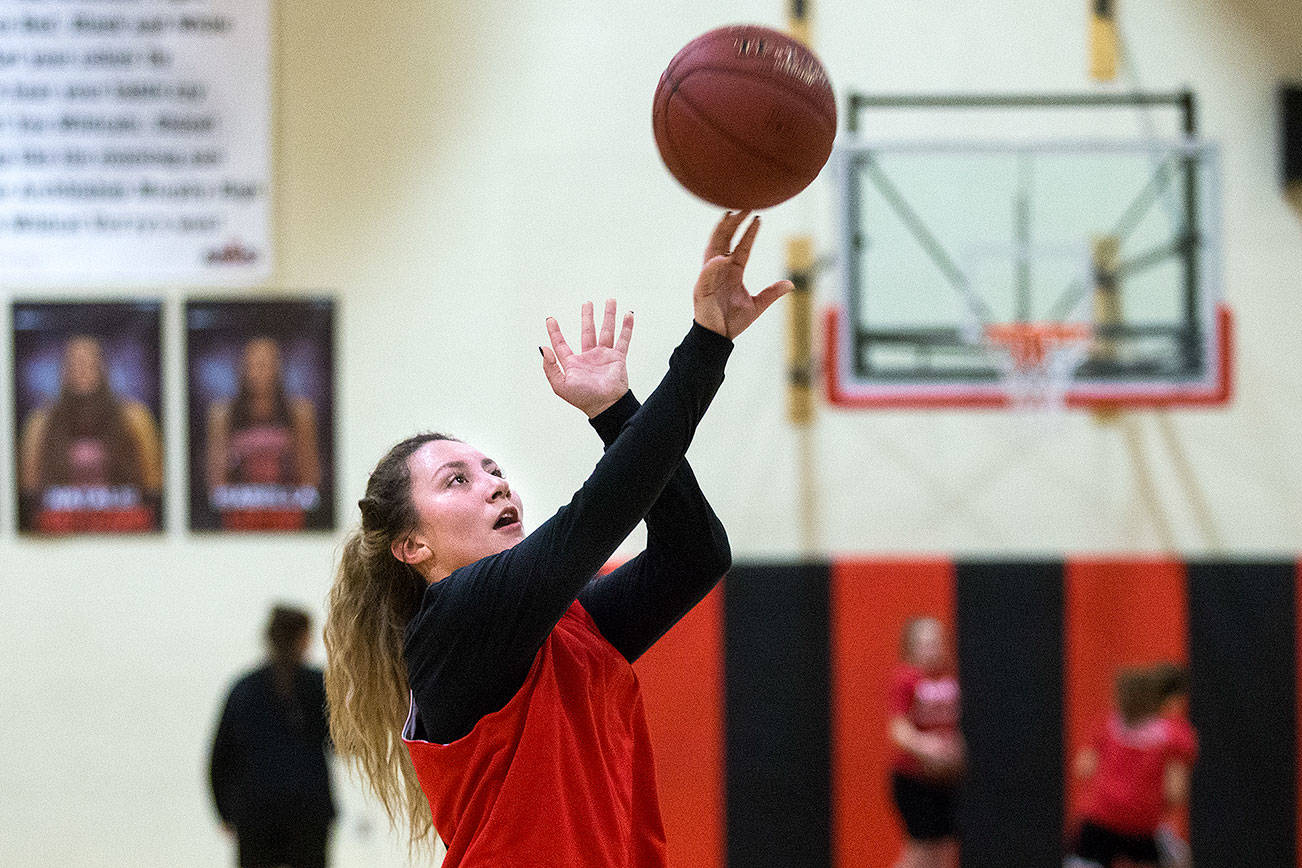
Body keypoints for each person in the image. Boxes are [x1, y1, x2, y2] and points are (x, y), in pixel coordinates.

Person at [323, 211, 791, 866]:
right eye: (456, 480)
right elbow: (601, 512)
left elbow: (696, 554)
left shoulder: (569, 627)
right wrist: (705, 344)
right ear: (412, 546)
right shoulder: (453, 623)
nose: (494, 485)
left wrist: (615, 408)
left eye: (494, 470)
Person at [210, 605, 336, 868]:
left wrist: (224, 811)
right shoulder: (319, 686)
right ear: (303, 638)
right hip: (309, 809)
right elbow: (342, 742)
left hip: (255, 812)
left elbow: (220, 759)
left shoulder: (243, 689)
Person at [17, 334, 163, 532]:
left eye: (89, 361)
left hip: (124, 527)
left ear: (103, 367)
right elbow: (29, 489)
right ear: (63, 370)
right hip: (59, 529)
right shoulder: (41, 421)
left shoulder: (135, 418)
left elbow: (153, 483)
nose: (82, 369)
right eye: (75, 362)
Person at [1066, 663, 1197, 868]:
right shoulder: (1175, 734)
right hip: (1143, 826)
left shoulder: (1108, 723)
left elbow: (1083, 768)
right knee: (1178, 858)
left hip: (1099, 819)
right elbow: (1175, 791)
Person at [205, 336, 322, 529]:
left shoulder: (299, 412)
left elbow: (310, 475)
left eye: (264, 365)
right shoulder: (224, 414)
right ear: (241, 369)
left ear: (278, 369)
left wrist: (285, 501)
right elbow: (216, 480)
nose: (257, 372)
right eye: (251, 365)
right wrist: (243, 500)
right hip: (239, 515)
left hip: (287, 514)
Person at [887, 615, 964, 868]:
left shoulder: (950, 678)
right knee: (920, 851)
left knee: (945, 850)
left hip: (946, 779)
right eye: (924, 644)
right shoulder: (906, 678)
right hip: (914, 778)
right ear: (910, 647)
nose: (931, 650)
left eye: (935, 643)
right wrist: (926, 747)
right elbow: (898, 729)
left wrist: (955, 749)